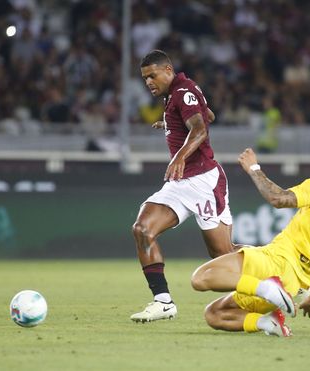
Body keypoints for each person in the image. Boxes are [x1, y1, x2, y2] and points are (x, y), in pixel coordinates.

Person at [191, 146, 310, 336]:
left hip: (276, 264)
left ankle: (265, 287)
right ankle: (269, 323)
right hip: (291, 285)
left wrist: (253, 168)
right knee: (214, 314)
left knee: (201, 278)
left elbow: (278, 199)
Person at [131, 50, 235, 322]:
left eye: (152, 75)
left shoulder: (183, 91)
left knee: (223, 255)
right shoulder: (175, 95)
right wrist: (171, 122)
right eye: (144, 78)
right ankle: (163, 301)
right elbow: (208, 115)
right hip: (180, 183)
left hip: (203, 181)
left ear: (167, 69)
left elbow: (200, 129)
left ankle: (277, 268)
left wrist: (179, 155)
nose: (148, 82)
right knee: (143, 229)